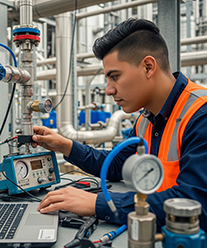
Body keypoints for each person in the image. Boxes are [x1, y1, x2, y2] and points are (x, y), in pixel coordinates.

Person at [32, 18, 207, 232]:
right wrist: (66, 146)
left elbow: (194, 205)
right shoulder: (146, 119)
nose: (108, 90)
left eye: (115, 76)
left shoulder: (200, 115)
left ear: (148, 67)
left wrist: (97, 204)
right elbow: (117, 165)